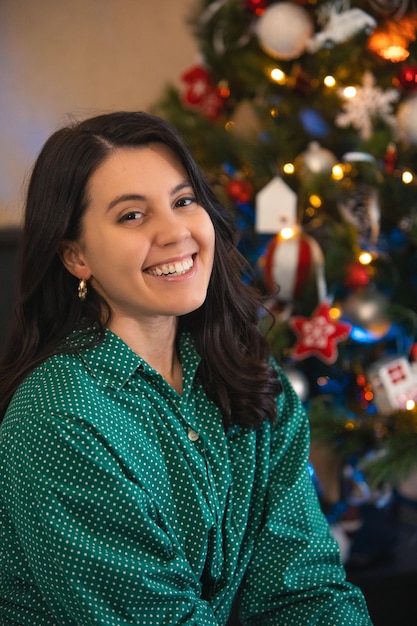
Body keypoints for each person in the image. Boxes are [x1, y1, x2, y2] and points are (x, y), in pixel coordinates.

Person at [0, 111, 372, 625]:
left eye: (183, 201)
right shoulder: (56, 420)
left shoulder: (249, 377)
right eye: (132, 215)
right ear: (75, 256)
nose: (176, 232)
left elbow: (305, 588)